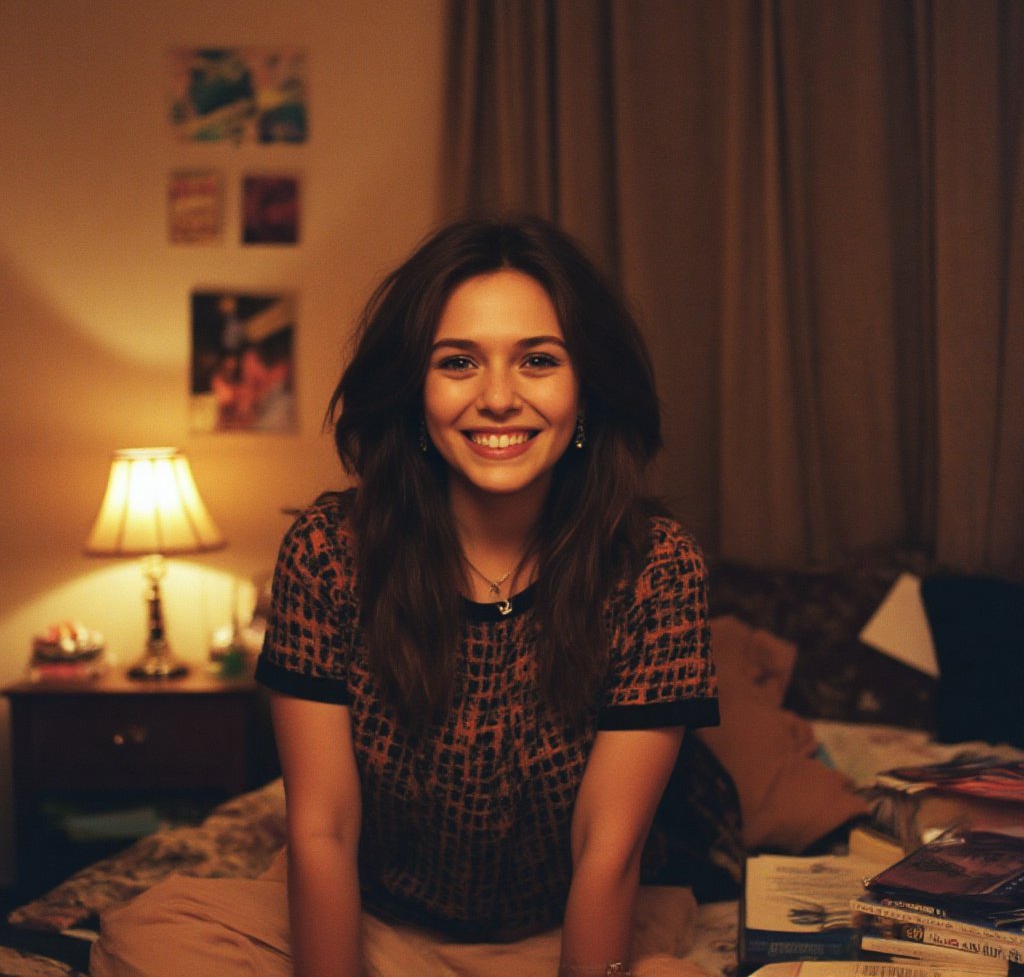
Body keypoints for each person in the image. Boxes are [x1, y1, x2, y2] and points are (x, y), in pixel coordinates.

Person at [91, 216, 720, 977]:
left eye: (538, 362)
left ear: (586, 389)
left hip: (566, 933)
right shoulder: (330, 552)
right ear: (415, 389)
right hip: (371, 924)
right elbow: (323, 829)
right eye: (458, 362)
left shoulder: (656, 566)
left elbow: (607, 849)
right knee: (149, 934)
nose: (497, 398)